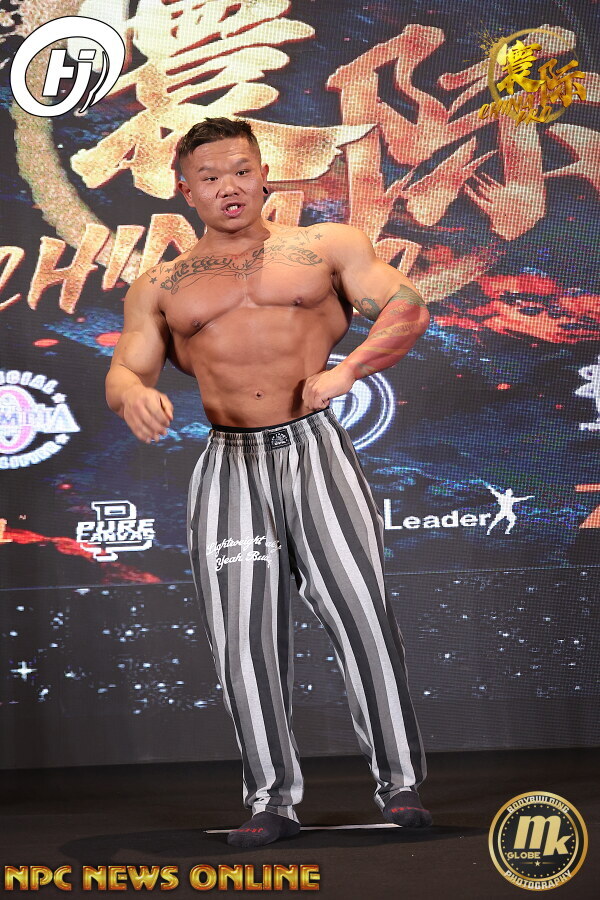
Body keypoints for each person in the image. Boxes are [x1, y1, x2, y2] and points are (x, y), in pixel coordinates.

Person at [106, 116, 432, 848]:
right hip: (229, 463)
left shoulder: (325, 246)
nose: (230, 186)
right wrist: (132, 396)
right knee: (242, 636)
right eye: (211, 176)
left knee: (361, 614)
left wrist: (350, 369)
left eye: (242, 170)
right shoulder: (160, 285)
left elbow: (407, 306)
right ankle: (271, 799)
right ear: (186, 190)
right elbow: (126, 367)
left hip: (315, 448)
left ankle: (402, 784)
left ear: (264, 175)